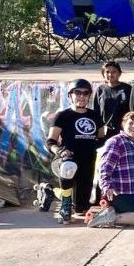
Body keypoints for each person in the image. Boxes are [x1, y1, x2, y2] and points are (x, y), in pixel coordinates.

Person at [46, 79, 105, 222]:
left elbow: (101, 138)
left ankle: (51, 192)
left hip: (87, 161)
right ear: (70, 95)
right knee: (69, 166)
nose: (82, 96)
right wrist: (60, 151)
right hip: (66, 160)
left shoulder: (95, 115)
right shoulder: (63, 116)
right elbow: (50, 142)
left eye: (85, 93)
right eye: (77, 93)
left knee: (81, 208)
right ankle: (65, 206)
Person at [95, 61, 132, 140]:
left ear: (119, 73)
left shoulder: (127, 89)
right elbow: (96, 111)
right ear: (103, 74)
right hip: (105, 131)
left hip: (123, 131)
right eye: (107, 72)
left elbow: (132, 110)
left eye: (114, 72)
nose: (110, 75)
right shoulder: (100, 89)